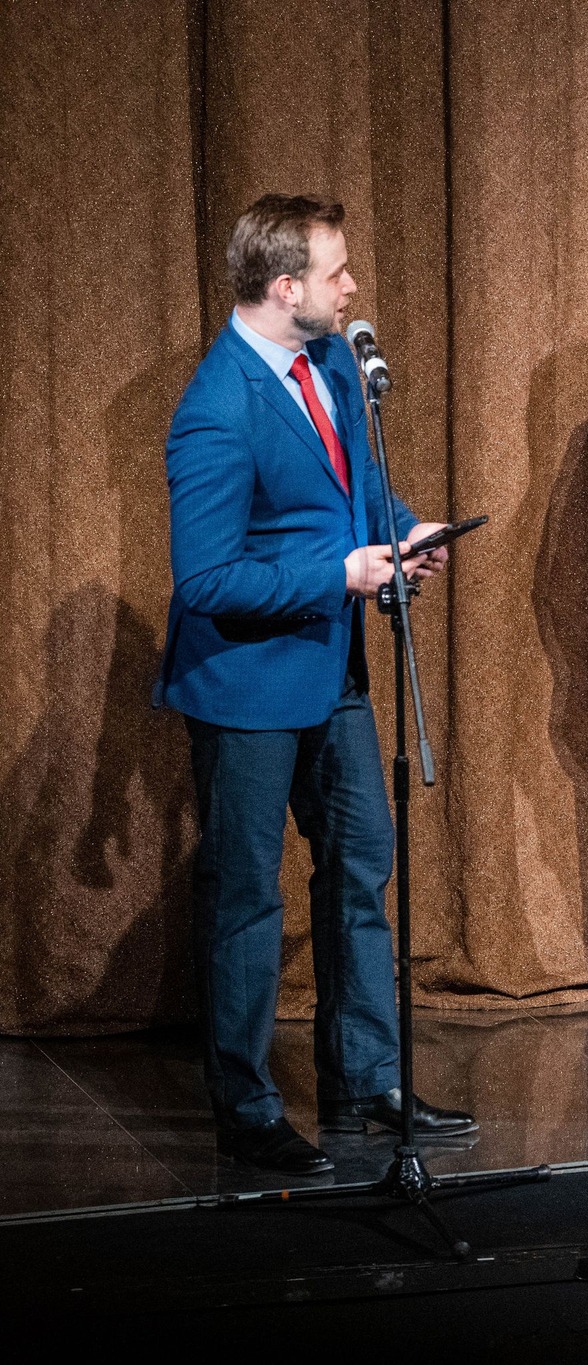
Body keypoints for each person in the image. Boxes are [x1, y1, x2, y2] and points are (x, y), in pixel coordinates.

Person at [158, 194, 473, 1175]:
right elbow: (207, 580)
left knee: (361, 866)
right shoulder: (215, 411)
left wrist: (404, 529)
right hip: (247, 684)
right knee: (249, 893)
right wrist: (340, 574)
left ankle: (364, 1077)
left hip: (334, 672)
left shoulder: (330, 362)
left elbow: (357, 491)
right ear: (285, 286)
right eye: (337, 272)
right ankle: (246, 1107)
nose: (352, 288)